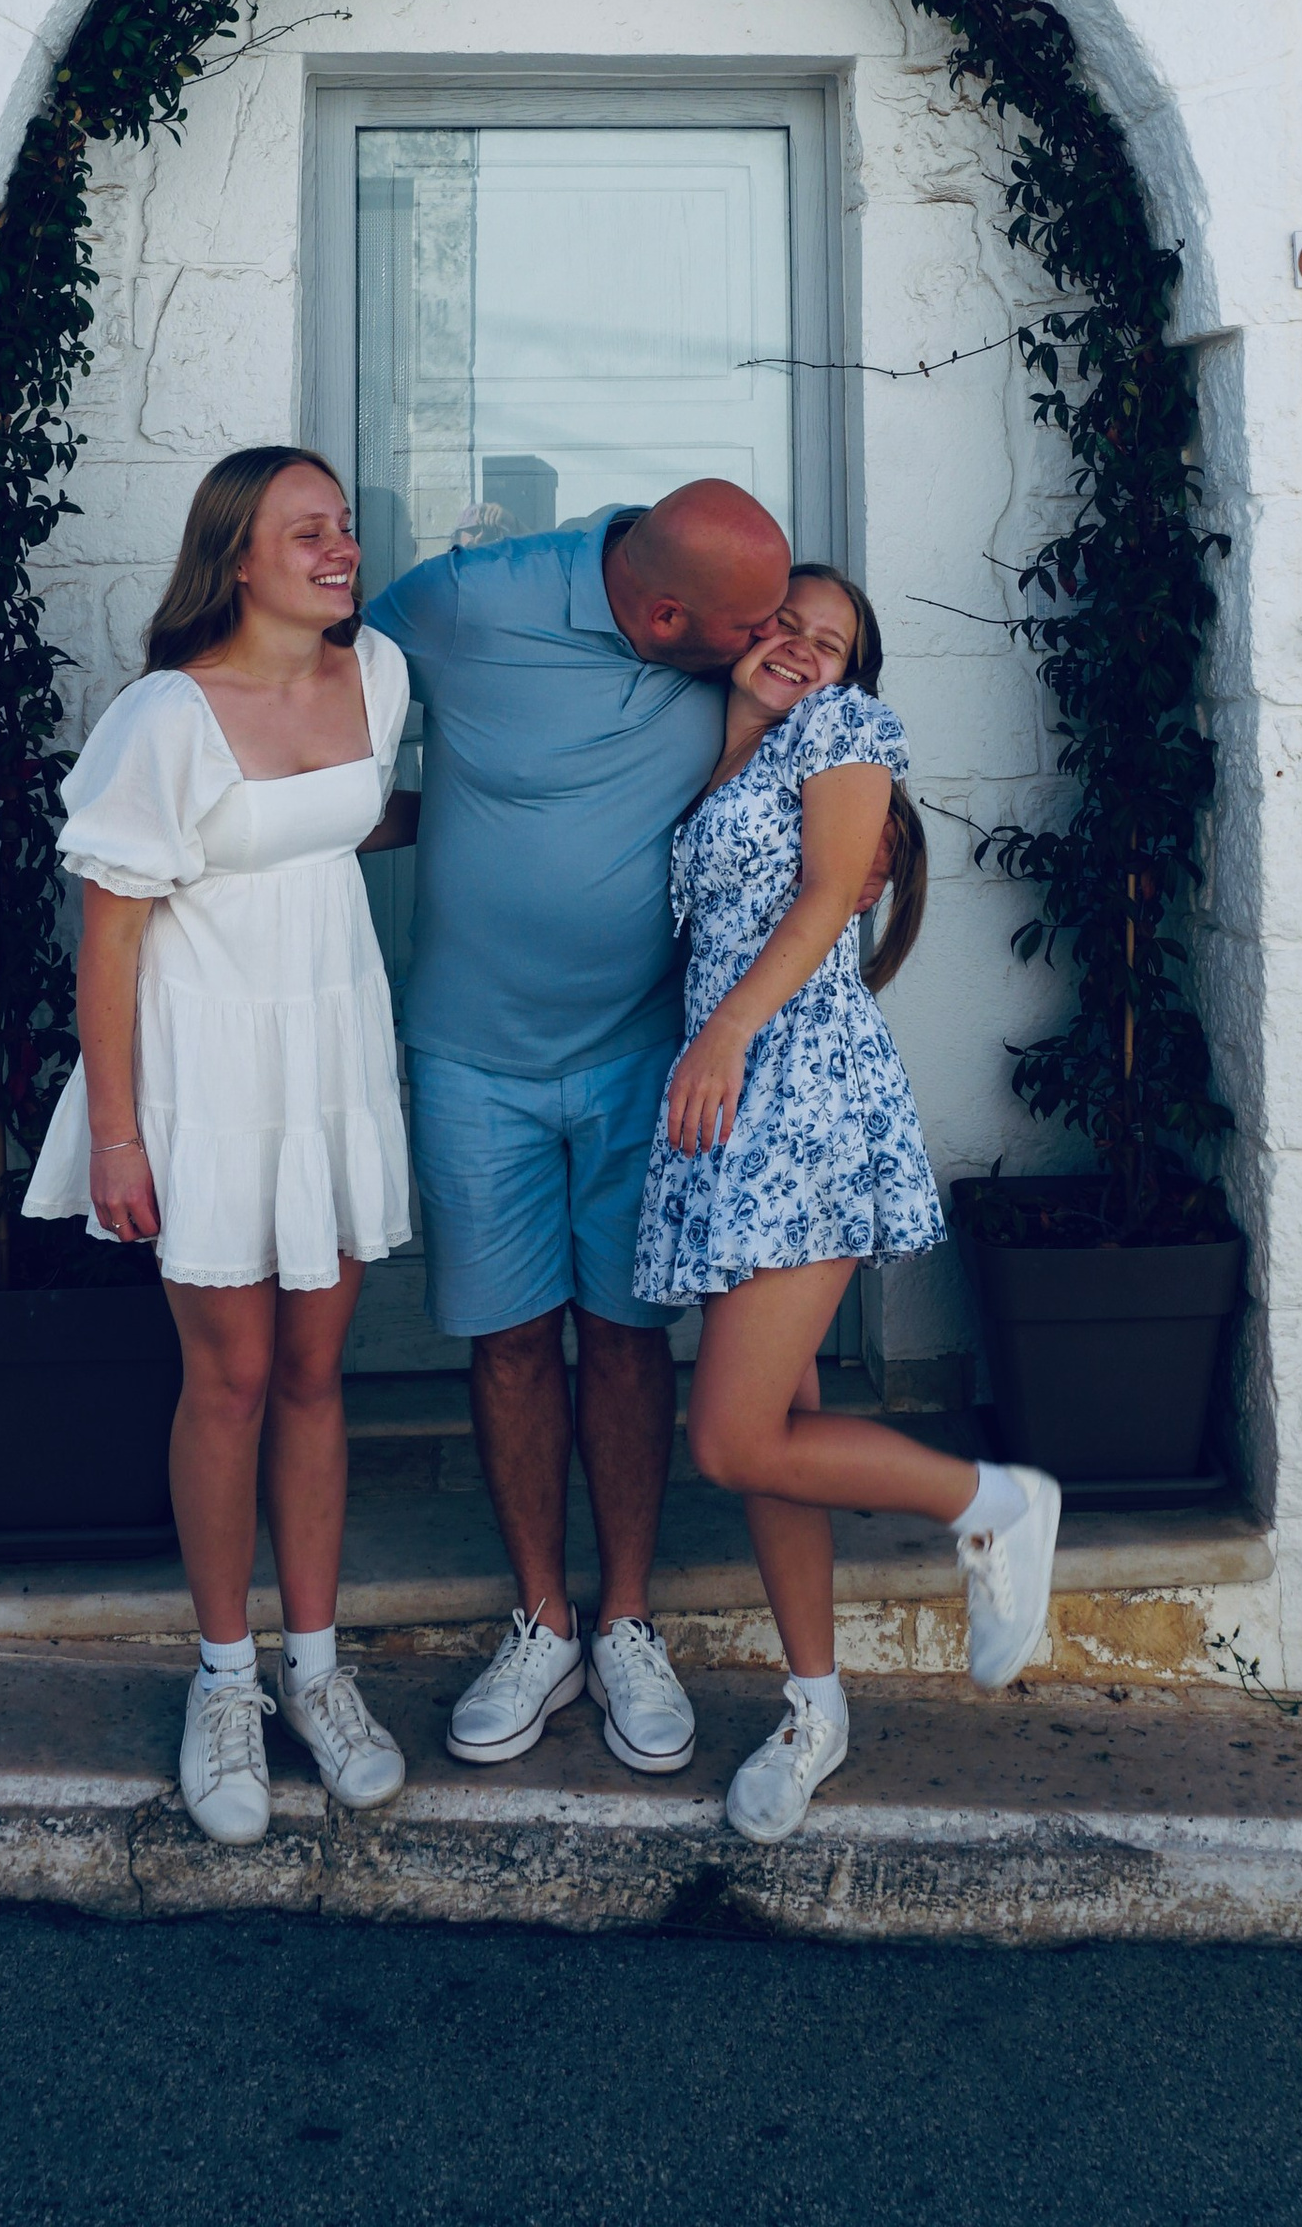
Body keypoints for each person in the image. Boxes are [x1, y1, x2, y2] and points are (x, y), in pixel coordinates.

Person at [362, 480, 792, 1777]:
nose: (767, 640)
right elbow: (313, 693)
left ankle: (627, 1623)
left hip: (643, 1062)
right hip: (471, 1063)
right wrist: (348, 824)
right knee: (507, 1344)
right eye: (744, 625)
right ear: (665, 618)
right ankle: (541, 1620)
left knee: (621, 1337)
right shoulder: (464, 603)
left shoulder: (735, 645)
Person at [22, 447, 418, 1844]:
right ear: (235, 558)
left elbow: (334, 835)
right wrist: (118, 1136)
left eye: (345, 528)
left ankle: (318, 1672)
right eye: (305, 531)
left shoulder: (375, 676)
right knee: (232, 1375)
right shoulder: (162, 718)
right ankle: (225, 1680)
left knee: (318, 1373)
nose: (339, 549)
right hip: (204, 1071)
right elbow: (111, 937)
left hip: (326, 1059)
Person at [634, 566, 1062, 1843]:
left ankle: (994, 1503)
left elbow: (828, 897)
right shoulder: (710, 761)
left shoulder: (844, 730)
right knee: (779, 1420)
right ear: (736, 629)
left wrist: (718, 1042)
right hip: (730, 1102)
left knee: (725, 1438)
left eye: (831, 642)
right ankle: (814, 1709)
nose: (803, 651)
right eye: (785, 624)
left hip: (793, 1086)